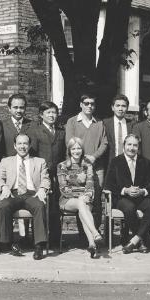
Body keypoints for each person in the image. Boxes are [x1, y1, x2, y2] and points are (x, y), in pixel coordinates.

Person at [0, 133, 50, 260]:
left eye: (25, 143)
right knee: (4, 206)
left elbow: (46, 179)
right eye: (19, 143)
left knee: (40, 206)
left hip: (32, 194)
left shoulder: (40, 162)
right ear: (14, 146)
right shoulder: (6, 161)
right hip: (12, 193)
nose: (22, 146)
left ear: (29, 146)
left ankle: (39, 246)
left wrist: (42, 188)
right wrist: (4, 187)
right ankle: (10, 244)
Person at [104, 134, 150, 254]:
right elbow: (108, 184)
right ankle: (141, 241)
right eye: (129, 144)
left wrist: (143, 191)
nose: (132, 148)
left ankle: (135, 240)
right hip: (122, 198)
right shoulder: (116, 161)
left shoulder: (145, 162)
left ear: (138, 147)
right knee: (129, 207)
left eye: (135, 145)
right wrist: (125, 190)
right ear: (124, 146)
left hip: (140, 197)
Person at [65, 94, 108, 231]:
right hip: (78, 167)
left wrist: (95, 156)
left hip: (97, 168)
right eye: (86, 103)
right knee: (81, 198)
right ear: (81, 104)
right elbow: (69, 143)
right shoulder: (72, 122)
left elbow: (104, 143)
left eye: (92, 104)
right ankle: (84, 236)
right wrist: (82, 161)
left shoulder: (99, 123)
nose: (89, 106)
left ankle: (95, 233)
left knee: (95, 201)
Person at [28, 101, 66, 247]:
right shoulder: (35, 131)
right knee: (42, 206)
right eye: (48, 112)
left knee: (56, 206)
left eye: (54, 112)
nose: (52, 115)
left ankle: (56, 239)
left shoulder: (61, 131)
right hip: (41, 175)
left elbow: (63, 154)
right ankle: (40, 239)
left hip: (58, 175)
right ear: (41, 115)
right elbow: (32, 155)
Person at [57, 137, 103, 258]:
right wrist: (79, 187)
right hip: (67, 200)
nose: (76, 151)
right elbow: (64, 188)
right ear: (69, 150)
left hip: (85, 199)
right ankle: (95, 232)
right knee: (81, 204)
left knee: (83, 209)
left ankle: (92, 245)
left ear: (82, 150)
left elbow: (90, 184)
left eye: (78, 148)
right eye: (73, 148)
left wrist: (87, 195)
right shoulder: (62, 166)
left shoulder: (87, 165)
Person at [102, 94, 133, 171]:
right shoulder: (105, 123)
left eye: (123, 106)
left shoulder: (132, 125)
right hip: (110, 165)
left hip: (128, 165)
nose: (120, 109)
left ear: (127, 108)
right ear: (113, 108)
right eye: (118, 105)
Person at [0, 93, 32, 158]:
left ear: (25, 108)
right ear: (9, 108)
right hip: (8, 165)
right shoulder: (1, 125)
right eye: (15, 107)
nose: (19, 110)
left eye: (21, 107)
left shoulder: (33, 125)